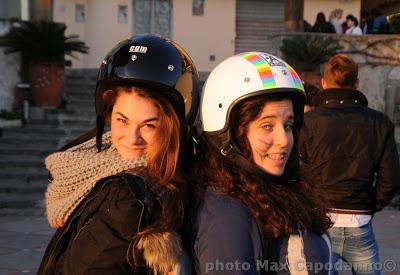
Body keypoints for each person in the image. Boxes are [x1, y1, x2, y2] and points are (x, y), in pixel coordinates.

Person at [38, 34, 200, 275]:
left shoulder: (124, 196)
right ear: (108, 114)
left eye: (149, 125)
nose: (132, 138)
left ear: (172, 128)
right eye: (122, 120)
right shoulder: (92, 170)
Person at [192, 52, 332, 275]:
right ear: (232, 135)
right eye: (267, 126)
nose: (284, 140)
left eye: (288, 125)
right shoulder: (227, 218)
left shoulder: (266, 188)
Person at [299, 54, 400, 275]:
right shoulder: (379, 123)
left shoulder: (307, 122)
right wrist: (370, 206)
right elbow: (390, 179)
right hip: (359, 222)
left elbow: (297, 173)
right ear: (356, 83)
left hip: (321, 221)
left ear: (324, 83)